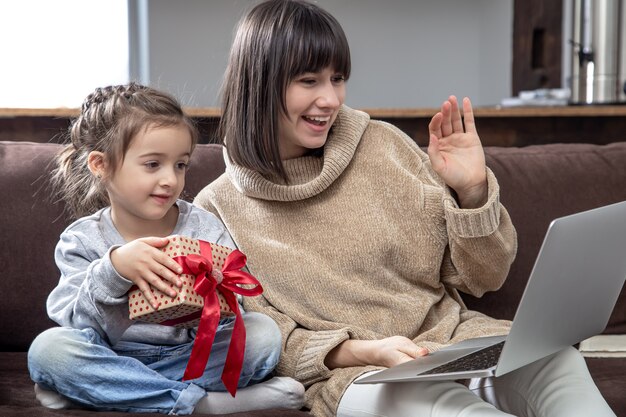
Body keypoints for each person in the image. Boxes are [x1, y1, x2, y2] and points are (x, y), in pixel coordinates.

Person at [194, 1, 617, 416]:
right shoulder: (215, 208)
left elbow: (484, 278)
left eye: (338, 78)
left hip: (452, 342)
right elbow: (257, 339)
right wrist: (362, 350)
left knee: (559, 363)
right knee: (453, 410)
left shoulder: (385, 145)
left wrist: (471, 192)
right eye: (309, 81)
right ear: (260, 83)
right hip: (361, 374)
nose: (330, 99)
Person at [27, 83, 304, 415]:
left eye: (180, 165)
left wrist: (212, 289)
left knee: (263, 335)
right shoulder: (82, 239)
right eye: (152, 164)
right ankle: (201, 404)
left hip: (189, 355)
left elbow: (236, 303)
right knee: (49, 351)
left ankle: (111, 392)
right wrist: (114, 270)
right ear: (101, 165)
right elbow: (77, 324)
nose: (171, 180)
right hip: (111, 356)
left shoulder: (204, 227)